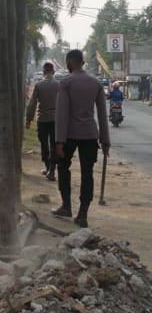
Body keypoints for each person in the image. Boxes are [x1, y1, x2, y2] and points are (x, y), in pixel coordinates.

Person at [53, 49, 111, 228]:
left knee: (63, 167)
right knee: (87, 173)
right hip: (90, 135)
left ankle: (66, 206)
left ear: (69, 62)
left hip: (69, 135)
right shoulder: (96, 83)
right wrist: (105, 140)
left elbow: (62, 114)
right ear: (83, 63)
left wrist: (59, 140)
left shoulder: (66, 83)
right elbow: (102, 114)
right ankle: (83, 214)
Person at [25, 61, 59, 181]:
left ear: (44, 72)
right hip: (56, 119)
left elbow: (32, 104)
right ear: (53, 72)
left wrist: (29, 119)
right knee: (54, 144)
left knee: (44, 144)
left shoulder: (39, 85)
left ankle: (48, 166)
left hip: (43, 119)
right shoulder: (59, 85)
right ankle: (52, 169)